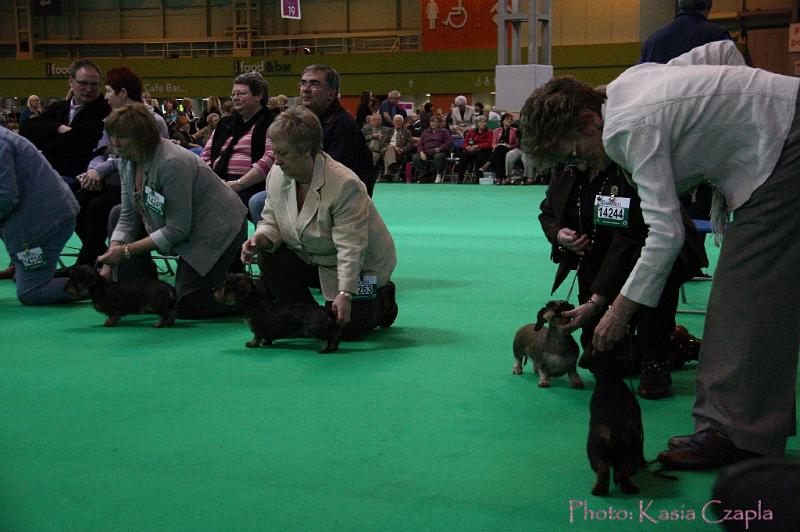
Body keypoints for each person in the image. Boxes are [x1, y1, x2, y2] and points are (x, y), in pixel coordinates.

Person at [520, 40, 799, 469]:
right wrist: (742, 108)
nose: (578, 164)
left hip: (782, 148)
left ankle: (739, 434)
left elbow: (666, 233)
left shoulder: (627, 129)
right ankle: (750, 421)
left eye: (574, 152)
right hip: (784, 125)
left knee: (742, 303)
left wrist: (618, 312)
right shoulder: (628, 83)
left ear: (589, 121)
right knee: (758, 297)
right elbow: (723, 53)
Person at [539, 160, 706, 399]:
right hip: (596, 260)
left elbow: (630, 236)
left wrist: (598, 301)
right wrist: (558, 234)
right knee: (602, 361)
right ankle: (677, 343)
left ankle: (656, 357)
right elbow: (547, 212)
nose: (570, 156)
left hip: (649, 253)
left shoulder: (627, 165)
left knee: (650, 315)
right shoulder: (566, 166)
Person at [241, 106, 398, 337]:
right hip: (315, 256)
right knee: (270, 256)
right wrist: (260, 238)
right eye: (275, 152)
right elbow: (271, 219)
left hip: (362, 265)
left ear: (307, 151)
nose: (276, 161)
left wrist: (344, 293)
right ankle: (302, 314)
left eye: (283, 153)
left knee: (347, 329)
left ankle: (384, 299)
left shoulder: (345, 184)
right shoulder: (277, 174)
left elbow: (350, 248)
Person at [97, 104, 248, 319]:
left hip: (217, 227)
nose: (115, 143)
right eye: (112, 136)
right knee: (116, 212)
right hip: (185, 222)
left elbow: (177, 230)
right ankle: (138, 292)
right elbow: (128, 215)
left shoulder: (172, 162)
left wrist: (126, 251)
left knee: (188, 304)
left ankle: (257, 295)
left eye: (122, 137)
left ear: (143, 136)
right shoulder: (126, 161)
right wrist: (111, 254)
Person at [248, 64, 376, 220]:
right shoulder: (304, 119)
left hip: (337, 194)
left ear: (331, 93)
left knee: (259, 202)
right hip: (310, 185)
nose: (306, 89)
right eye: (303, 83)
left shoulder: (344, 127)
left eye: (314, 84)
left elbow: (332, 175)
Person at [72, 66, 169, 270]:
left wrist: (104, 168)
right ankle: (99, 256)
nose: (105, 96)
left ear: (122, 93)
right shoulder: (112, 119)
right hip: (113, 181)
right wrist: (92, 170)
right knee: (76, 202)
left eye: (108, 90)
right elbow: (102, 151)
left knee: (100, 207)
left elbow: (142, 159)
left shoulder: (154, 121)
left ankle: (89, 263)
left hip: (138, 185)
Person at [0, 126, 82, 305]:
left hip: (47, 223)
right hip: (36, 217)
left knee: (31, 292)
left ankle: (100, 286)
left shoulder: (1, 143)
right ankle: (20, 265)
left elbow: (5, 195)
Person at [20, 59, 111, 184]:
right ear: (71, 82)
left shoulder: (104, 112)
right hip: (46, 172)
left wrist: (45, 139)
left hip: (75, 178)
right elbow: (25, 129)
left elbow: (77, 145)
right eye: (83, 83)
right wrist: (57, 128)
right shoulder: (58, 107)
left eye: (94, 84)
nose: (89, 89)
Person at [201, 71, 275, 209]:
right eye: (233, 94)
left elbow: (270, 159)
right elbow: (205, 155)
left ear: (258, 95)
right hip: (218, 182)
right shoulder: (225, 123)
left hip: (251, 186)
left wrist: (238, 184)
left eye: (241, 94)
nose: (235, 98)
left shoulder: (272, 122)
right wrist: (214, 182)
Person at [640, 0, 731, 64]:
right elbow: (734, 77)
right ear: (709, 5)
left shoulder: (651, 41)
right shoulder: (718, 36)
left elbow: (639, 77)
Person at [481, 113, 519, 184]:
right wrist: (498, 145)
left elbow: (517, 144)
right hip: (499, 150)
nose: (509, 121)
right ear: (503, 121)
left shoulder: (515, 131)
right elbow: (493, 144)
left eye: (510, 119)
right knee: (500, 151)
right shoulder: (496, 131)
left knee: (499, 151)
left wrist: (510, 146)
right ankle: (501, 178)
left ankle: (491, 168)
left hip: (510, 149)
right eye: (507, 119)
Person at [413, 114, 451, 183]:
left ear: (439, 123)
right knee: (415, 157)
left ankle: (439, 175)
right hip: (427, 151)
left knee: (438, 156)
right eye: (431, 122)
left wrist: (440, 148)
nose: (433, 123)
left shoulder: (444, 131)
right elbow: (420, 144)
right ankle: (424, 175)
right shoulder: (425, 132)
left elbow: (448, 143)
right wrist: (421, 152)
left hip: (439, 151)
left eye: (435, 122)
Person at [457, 116, 492, 184]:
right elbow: (465, 142)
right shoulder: (471, 131)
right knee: (464, 156)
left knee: (480, 156)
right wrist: (467, 147)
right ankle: (460, 178)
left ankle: (478, 179)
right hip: (471, 151)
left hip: (483, 151)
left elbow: (489, 144)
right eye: (481, 122)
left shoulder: (489, 132)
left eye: (485, 122)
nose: (484, 124)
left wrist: (477, 146)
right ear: (477, 124)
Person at [381, 114, 414, 182]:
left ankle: (388, 174)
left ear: (402, 122)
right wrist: (394, 147)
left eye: (399, 121)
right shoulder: (389, 131)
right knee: (390, 148)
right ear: (393, 122)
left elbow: (410, 144)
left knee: (388, 153)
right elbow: (383, 143)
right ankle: (392, 167)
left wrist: (402, 149)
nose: (397, 123)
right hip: (388, 148)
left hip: (400, 152)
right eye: (395, 121)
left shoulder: (407, 132)